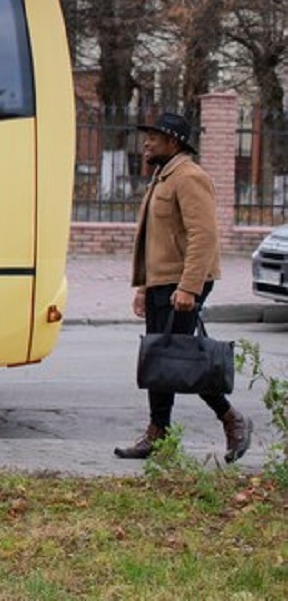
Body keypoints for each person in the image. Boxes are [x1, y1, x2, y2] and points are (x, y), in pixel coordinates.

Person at [115, 112, 252, 462]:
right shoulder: (163, 177)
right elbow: (156, 241)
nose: (146, 142)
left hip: (184, 281)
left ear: (173, 142)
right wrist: (144, 287)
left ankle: (231, 419)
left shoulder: (189, 177)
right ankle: (159, 434)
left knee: (178, 358)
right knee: (161, 357)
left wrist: (189, 288)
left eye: (153, 137)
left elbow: (204, 236)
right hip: (163, 282)